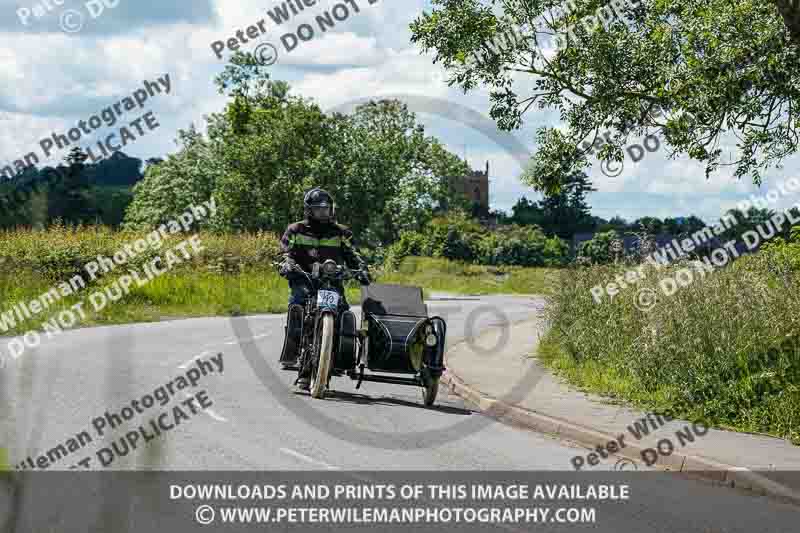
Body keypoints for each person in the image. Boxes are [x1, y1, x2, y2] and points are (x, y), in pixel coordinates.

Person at [278, 187, 370, 390]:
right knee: (298, 306)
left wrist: (361, 269)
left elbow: (354, 254)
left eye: (326, 209)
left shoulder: (341, 232)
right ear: (309, 210)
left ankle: (337, 359)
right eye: (319, 209)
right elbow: (285, 251)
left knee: (343, 312)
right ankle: (295, 355)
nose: (323, 212)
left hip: (332, 282)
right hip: (305, 280)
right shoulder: (296, 230)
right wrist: (286, 263)